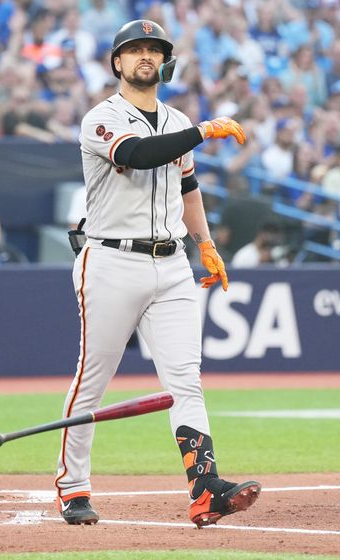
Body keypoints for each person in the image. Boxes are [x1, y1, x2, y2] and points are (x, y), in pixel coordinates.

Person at [54, 19, 260, 529]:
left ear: (164, 62)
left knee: (185, 381)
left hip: (171, 265)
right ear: (117, 63)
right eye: (134, 49)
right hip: (111, 260)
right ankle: (72, 487)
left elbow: (187, 189)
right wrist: (202, 131)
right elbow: (139, 155)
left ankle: (206, 488)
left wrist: (206, 245)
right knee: (92, 382)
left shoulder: (177, 119)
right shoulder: (100, 119)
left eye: (154, 49)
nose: (145, 56)